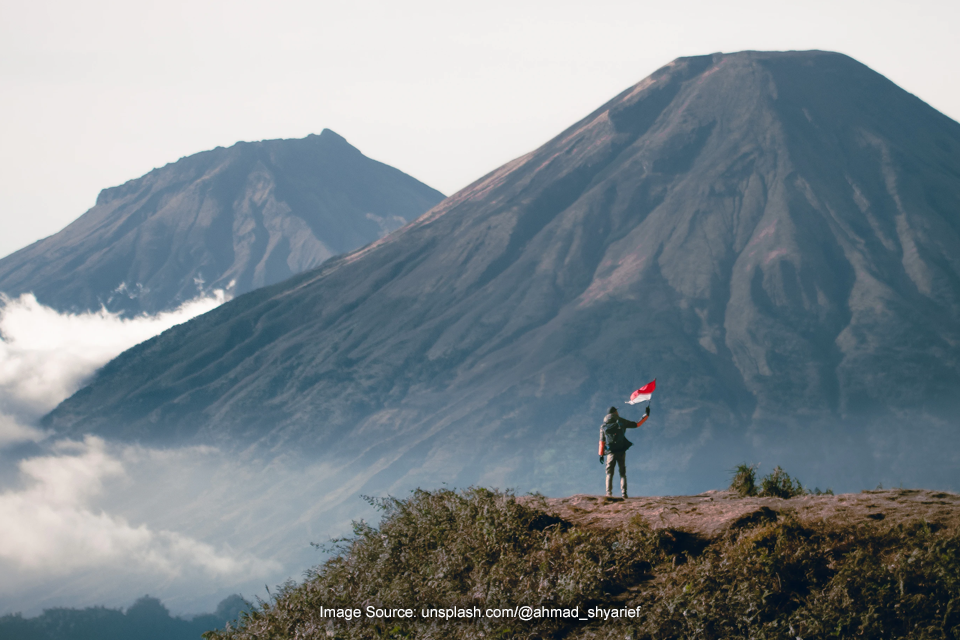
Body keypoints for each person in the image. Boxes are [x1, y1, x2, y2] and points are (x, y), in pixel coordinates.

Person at [599, 405, 650, 498]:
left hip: (610, 452)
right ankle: (624, 493)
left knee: (609, 473)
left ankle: (608, 493)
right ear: (615, 412)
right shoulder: (621, 421)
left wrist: (601, 454)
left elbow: (602, 441)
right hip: (621, 451)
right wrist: (646, 415)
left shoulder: (603, 426)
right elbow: (637, 424)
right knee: (622, 473)